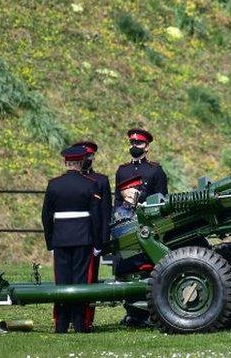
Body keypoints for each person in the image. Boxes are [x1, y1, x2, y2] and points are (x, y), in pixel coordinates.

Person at [41, 145, 103, 333]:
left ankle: (61, 324)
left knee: (62, 281)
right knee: (80, 281)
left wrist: (50, 240)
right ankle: (79, 324)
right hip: (83, 238)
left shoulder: (54, 184)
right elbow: (96, 217)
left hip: (61, 238)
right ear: (81, 162)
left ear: (65, 162)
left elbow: (45, 216)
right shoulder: (90, 184)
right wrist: (97, 243)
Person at [114, 128, 167, 327]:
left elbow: (161, 200)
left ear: (147, 146)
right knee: (126, 267)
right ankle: (132, 312)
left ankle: (150, 313)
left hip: (146, 225)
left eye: (138, 143)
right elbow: (117, 201)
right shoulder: (122, 171)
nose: (134, 146)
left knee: (148, 268)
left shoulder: (155, 170)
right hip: (126, 223)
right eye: (132, 143)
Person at [71, 140, 112, 331]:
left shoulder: (100, 180)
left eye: (90, 155)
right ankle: (68, 317)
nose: (87, 159)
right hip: (72, 236)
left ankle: (86, 319)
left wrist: (102, 241)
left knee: (89, 279)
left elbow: (105, 213)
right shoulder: (69, 180)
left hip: (91, 238)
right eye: (84, 156)